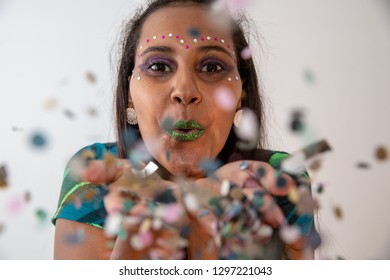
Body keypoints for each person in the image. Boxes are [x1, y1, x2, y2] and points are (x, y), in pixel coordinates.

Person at [52, 0, 317, 260]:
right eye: (158, 66)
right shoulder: (95, 173)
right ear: (130, 94)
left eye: (212, 67)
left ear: (240, 96)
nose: (185, 92)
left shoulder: (278, 180)